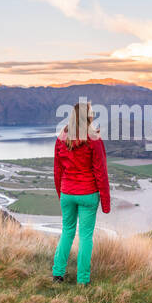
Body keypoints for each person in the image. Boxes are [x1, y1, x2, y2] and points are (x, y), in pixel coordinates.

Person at [52, 101, 111, 285]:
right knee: (85, 237)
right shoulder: (94, 141)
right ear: (88, 117)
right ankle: (83, 280)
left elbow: (57, 171)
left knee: (67, 232)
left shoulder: (61, 139)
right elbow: (101, 173)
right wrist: (106, 203)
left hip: (67, 192)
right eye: (92, 113)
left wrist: (61, 194)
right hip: (88, 194)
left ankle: (58, 274)